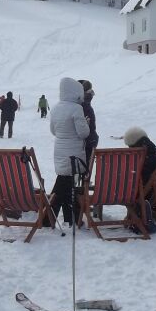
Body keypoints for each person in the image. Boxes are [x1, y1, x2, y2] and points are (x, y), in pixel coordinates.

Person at [48, 78, 90, 226]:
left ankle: (56, 216)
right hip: (76, 159)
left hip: (60, 154)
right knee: (76, 186)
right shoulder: (76, 109)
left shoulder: (55, 108)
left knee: (62, 183)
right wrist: (86, 123)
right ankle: (74, 217)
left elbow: (53, 131)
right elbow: (83, 133)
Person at [124, 126, 156, 233]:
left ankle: (139, 216)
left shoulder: (141, 157)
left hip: (146, 193)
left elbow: (137, 180)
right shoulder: (155, 153)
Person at [79, 80, 98, 165]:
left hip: (85, 144)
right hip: (87, 143)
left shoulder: (82, 105)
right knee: (86, 169)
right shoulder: (84, 106)